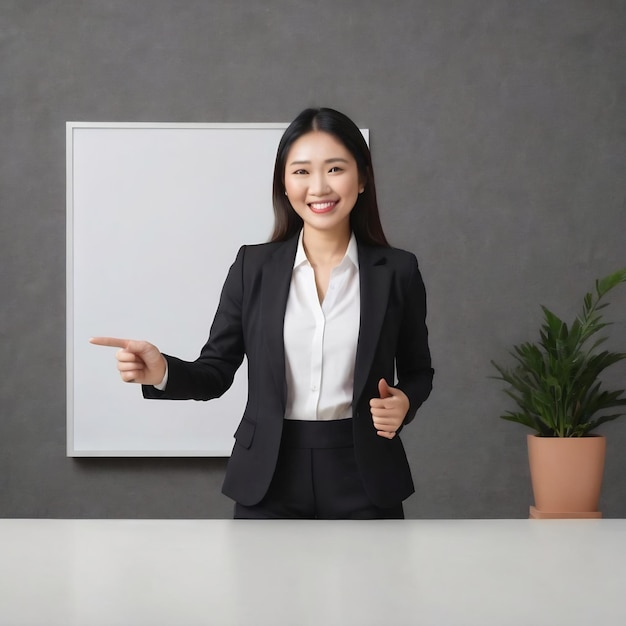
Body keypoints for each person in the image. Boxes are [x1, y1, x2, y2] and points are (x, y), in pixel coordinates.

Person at [91, 107, 434, 519]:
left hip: (365, 474)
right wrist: (161, 370)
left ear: (361, 178)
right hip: (270, 476)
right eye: (302, 171)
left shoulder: (397, 271)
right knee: (262, 585)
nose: (319, 186)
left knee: (374, 584)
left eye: (335, 169)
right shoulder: (252, 267)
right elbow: (215, 371)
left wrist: (405, 402)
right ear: (284, 185)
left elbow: (419, 371)